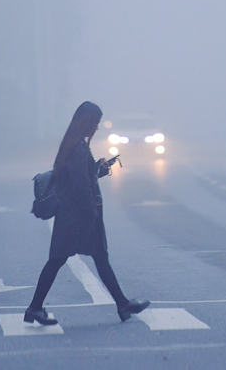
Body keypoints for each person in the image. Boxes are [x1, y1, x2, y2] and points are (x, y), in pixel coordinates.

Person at [24, 101, 150, 325]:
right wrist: (91, 213)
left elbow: (78, 178)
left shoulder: (74, 146)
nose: (97, 128)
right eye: (96, 123)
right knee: (59, 260)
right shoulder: (77, 149)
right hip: (78, 217)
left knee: (97, 258)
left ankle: (122, 304)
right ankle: (34, 308)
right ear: (87, 122)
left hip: (75, 215)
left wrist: (96, 170)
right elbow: (80, 185)